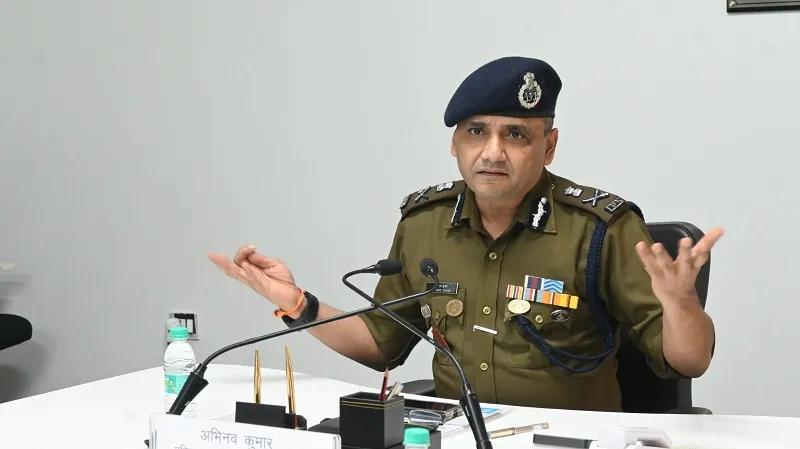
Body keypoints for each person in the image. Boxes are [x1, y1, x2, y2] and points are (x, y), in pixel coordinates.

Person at [209, 57, 722, 411]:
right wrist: (297, 304)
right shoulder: (424, 224)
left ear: (548, 146)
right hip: (456, 434)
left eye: (515, 134)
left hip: (570, 439)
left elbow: (689, 361)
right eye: (476, 131)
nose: (492, 152)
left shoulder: (600, 229)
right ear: (455, 144)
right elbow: (382, 344)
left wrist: (682, 306)